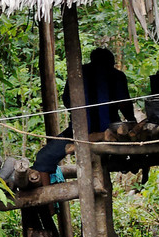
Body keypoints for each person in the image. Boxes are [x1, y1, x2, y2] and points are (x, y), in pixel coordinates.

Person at [33, 45, 135, 176]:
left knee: (43, 158)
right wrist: (132, 121)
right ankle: (123, 162)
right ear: (111, 63)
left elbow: (67, 102)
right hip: (106, 131)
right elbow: (124, 105)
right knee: (126, 151)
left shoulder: (78, 74)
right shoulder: (116, 75)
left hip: (79, 131)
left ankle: (44, 191)